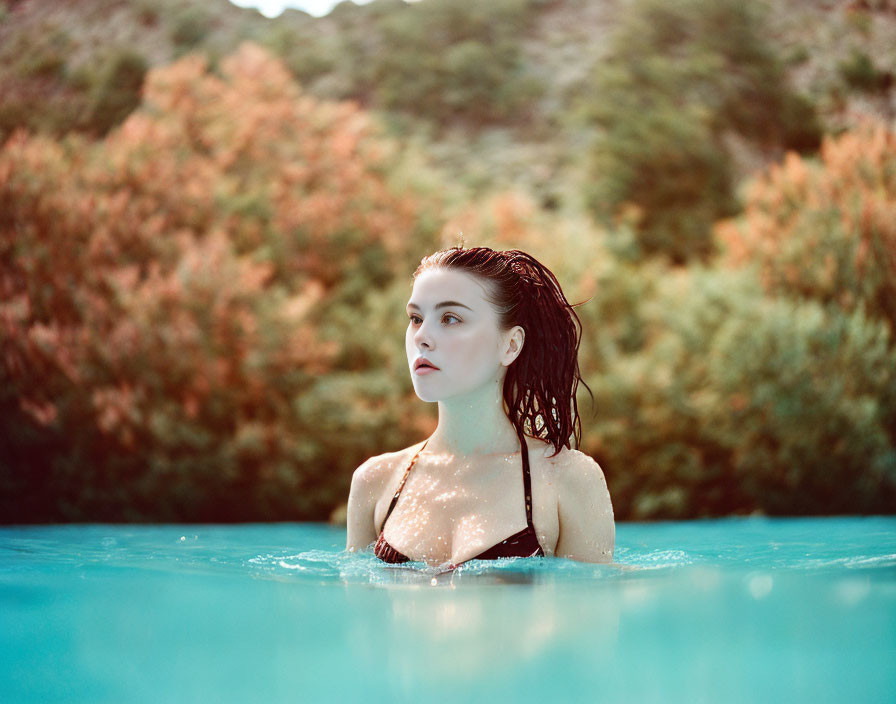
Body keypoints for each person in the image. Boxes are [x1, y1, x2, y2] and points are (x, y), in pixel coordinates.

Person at [345, 245, 614, 569]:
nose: (422, 337)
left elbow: (593, 611)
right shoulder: (375, 482)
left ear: (510, 345)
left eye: (450, 318)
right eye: (416, 318)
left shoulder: (567, 480)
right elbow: (359, 614)